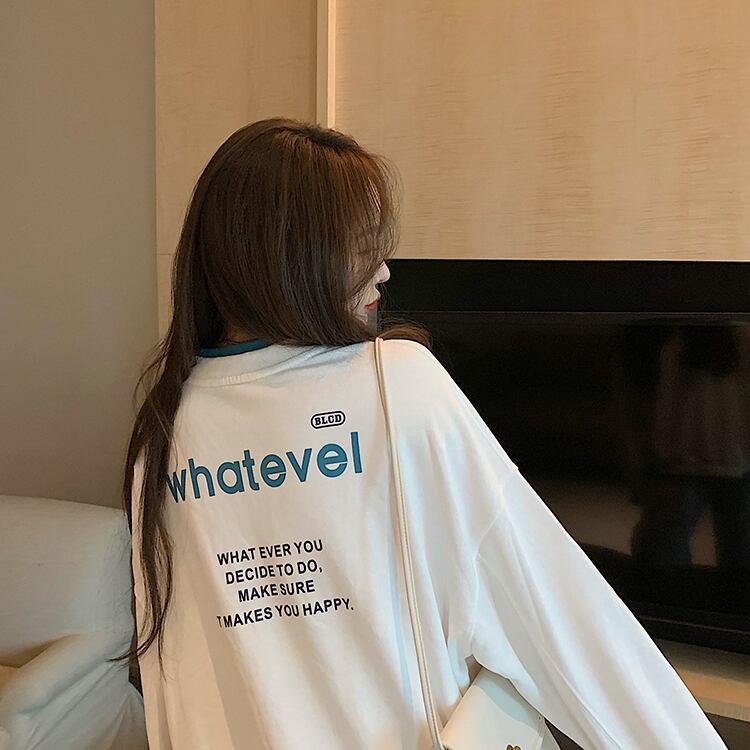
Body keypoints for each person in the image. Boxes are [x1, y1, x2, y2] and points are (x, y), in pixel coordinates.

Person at [114, 117, 729, 749]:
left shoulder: (163, 430)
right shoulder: (394, 384)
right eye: (362, 246)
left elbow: (171, 682)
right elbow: (561, 617)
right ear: (291, 256)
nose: (383, 271)